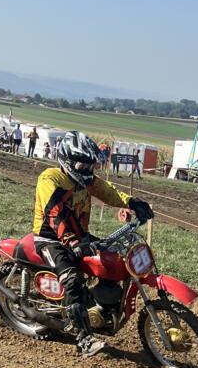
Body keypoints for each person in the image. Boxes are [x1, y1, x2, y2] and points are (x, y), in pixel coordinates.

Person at [31, 131, 153, 356]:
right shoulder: (51, 179)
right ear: (68, 160)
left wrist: (132, 202)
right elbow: (55, 214)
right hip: (51, 239)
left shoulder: (85, 180)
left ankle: (100, 305)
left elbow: (107, 191)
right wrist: (72, 241)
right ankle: (83, 338)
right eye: (83, 165)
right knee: (72, 279)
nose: (88, 170)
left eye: (91, 165)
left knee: (114, 257)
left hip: (79, 237)